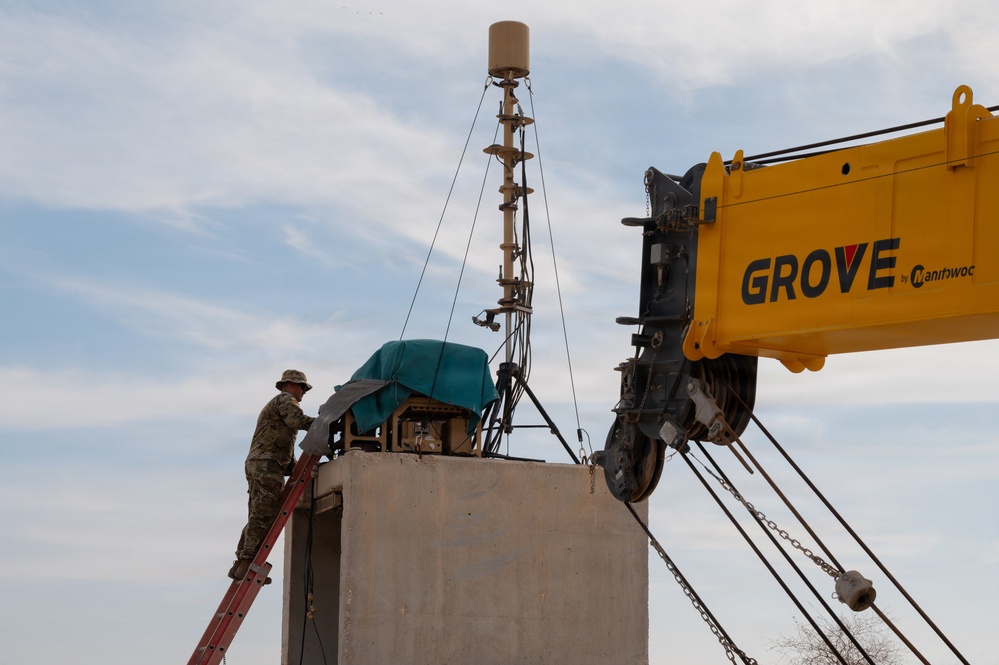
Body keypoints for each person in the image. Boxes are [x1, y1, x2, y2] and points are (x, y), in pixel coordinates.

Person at [228, 369, 316, 581]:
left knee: (258, 512)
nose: (304, 393)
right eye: (302, 387)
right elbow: (297, 421)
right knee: (263, 515)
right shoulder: (286, 400)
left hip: (263, 463)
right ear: (292, 385)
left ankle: (241, 562)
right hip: (267, 465)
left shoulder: (277, 405)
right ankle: (247, 562)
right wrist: (324, 424)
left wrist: (296, 468)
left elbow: (283, 443)